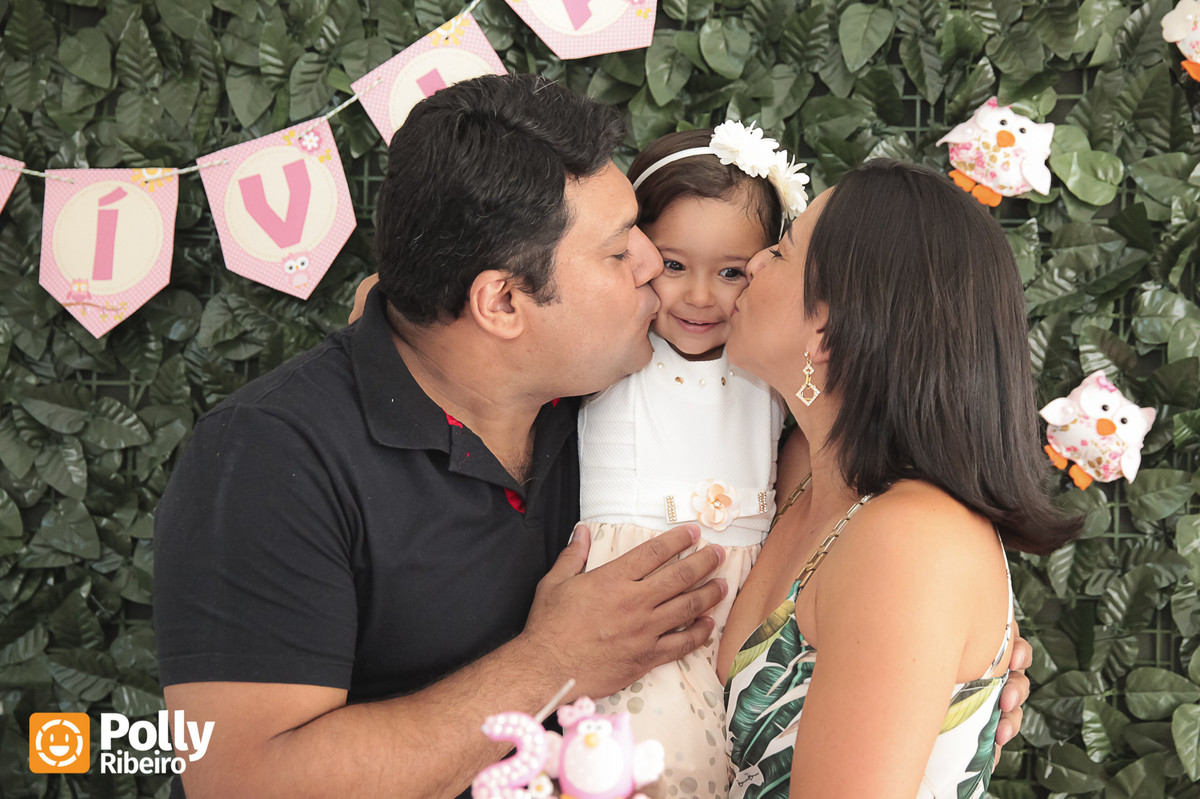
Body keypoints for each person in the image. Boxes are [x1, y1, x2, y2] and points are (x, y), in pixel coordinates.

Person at [153, 73, 730, 799]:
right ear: (503, 302)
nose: (653, 263)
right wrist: (552, 661)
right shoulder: (266, 458)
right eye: (619, 253)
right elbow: (245, 781)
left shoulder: (618, 388)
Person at [716, 160, 1080, 798]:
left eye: (782, 249)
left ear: (827, 331)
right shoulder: (800, 469)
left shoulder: (912, 541)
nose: (752, 262)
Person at [576, 123, 802, 799]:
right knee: (665, 768)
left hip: (751, 601)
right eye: (674, 265)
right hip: (636, 594)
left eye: (732, 272)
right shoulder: (609, 346)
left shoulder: (769, 362)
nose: (702, 297)